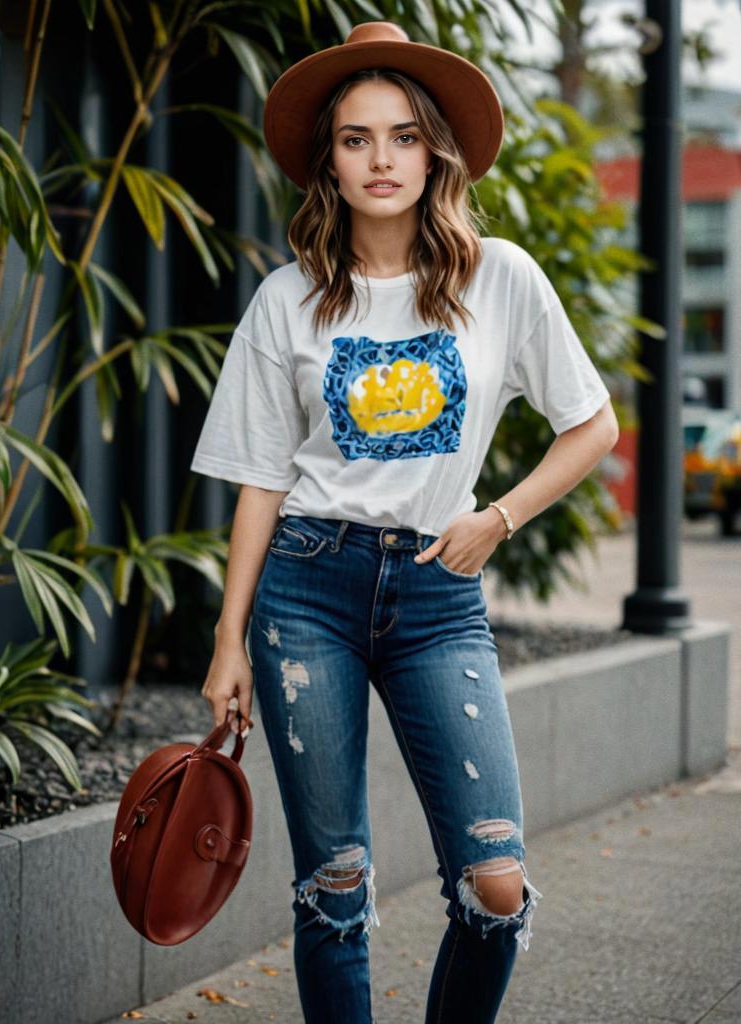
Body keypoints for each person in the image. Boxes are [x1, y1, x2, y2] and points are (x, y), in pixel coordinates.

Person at [191, 21, 619, 1024]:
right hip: (304, 590)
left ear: (436, 153)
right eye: (355, 138)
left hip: (438, 593)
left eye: (403, 136)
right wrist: (227, 639)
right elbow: (260, 481)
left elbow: (591, 425)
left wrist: (500, 518)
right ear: (326, 163)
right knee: (335, 885)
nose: (381, 159)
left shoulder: (500, 278)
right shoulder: (286, 302)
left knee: (496, 883)